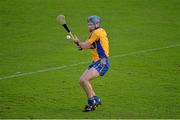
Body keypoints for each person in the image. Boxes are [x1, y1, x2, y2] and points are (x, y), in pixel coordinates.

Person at [73, 16, 110, 112]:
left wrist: (79, 43)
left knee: (84, 80)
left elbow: (85, 45)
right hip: (96, 62)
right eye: (88, 24)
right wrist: (79, 44)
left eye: (90, 24)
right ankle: (96, 99)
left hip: (102, 62)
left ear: (96, 24)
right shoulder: (99, 32)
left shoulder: (96, 33)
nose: (88, 26)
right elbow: (90, 45)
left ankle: (91, 102)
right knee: (82, 81)